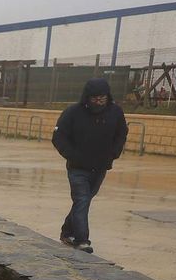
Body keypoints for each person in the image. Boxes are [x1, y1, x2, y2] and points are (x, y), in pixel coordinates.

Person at [51, 77, 128, 253]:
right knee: (82, 199)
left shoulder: (115, 112)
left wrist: (113, 153)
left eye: (102, 98)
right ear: (87, 97)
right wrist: (73, 156)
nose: (98, 102)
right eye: (94, 99)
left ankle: (66, 232)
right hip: (77, 168)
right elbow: (58, 137)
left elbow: (121, 133)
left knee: (83, 202)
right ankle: (82, 240)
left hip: (100, 167)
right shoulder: (73, 113)